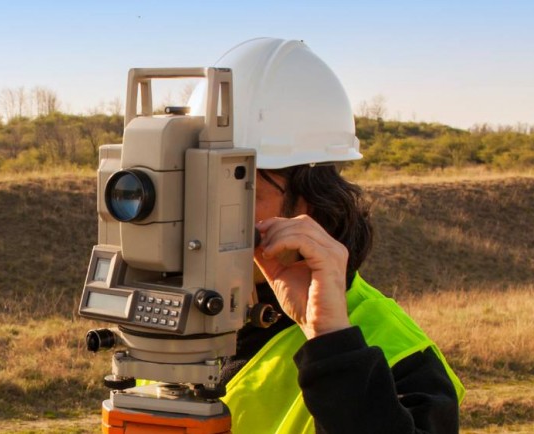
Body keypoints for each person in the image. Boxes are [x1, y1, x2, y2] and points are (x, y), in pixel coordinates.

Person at [191, 38, 465, 433]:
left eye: (234, 189)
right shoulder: (178, 327)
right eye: (197, 188)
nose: (203, 215)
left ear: (308, 209)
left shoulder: (398, 355)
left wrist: (330, 340)